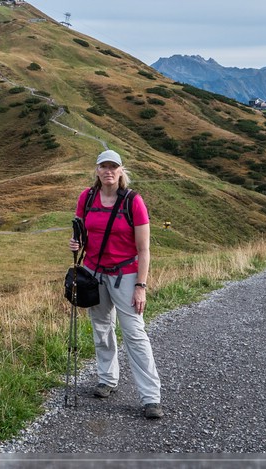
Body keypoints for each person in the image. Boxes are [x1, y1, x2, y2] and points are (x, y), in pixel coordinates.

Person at [68, 149, 164, 419]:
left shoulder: (133, 201)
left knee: (134, 333)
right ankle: (107, 380)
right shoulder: (86, 198)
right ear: (97, 170)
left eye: (114, 167)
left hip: (126, 275)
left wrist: (141, 286)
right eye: (103, 166)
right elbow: (81, 234)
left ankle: (150, 398)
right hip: (93, 273)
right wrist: (75, 244)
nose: (108, 171)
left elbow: (144, 250)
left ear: (121, 171)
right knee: (101, 329)